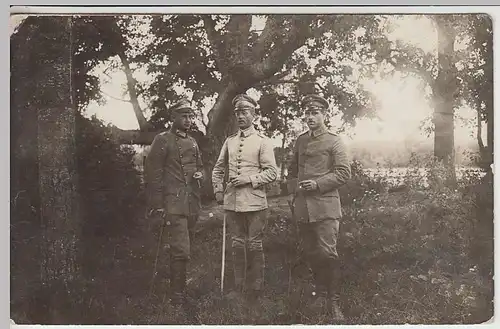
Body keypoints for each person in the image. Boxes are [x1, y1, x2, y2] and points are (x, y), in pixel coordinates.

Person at [287, 94, 351, 321]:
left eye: (315, 112)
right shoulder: (301, 140)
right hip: (304, 207)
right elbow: (292, 171)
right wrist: (293, 193)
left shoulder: (334, 141)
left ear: (325, 114)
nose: (310, 116)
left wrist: (317, 184)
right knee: (311, 252)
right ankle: (320, 295)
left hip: (325, 207)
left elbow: (344, 173)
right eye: (307, 112)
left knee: (327, 253)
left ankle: (333, 303)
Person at [212, 93, 278, 302]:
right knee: (237, 244)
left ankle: (256, 289)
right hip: (232, 203)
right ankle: (238, 287)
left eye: (245, 112)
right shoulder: (229, 142)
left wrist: (249, 179)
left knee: (254, 244)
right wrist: (217, 191)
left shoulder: (263, 142)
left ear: (254, 115)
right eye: (238, 112)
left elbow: (271, 172)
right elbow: (218, 169)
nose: (240, 116)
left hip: (255, 202)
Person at [144, 98, 204, 306]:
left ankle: (178, 287)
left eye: (190, 116)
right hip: (172, 203)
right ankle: (177, 295)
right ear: (173, 117)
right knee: (181, 249)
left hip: (191, 204)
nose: (188, 120)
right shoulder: (163, 140)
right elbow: (153, 174)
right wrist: (158, 204)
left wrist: (199, 174)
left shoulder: (193, 141)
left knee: (183, 248)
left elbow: (200, 166)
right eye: (183, 116)